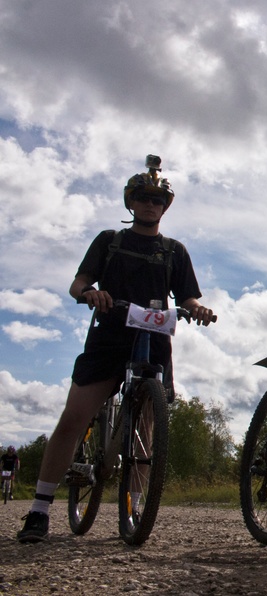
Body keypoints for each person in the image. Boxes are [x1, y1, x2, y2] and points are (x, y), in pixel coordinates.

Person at [16, 156, 215, 544]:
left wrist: (197, 309)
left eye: (158, 200)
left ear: (165, 207)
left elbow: (188, 296)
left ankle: (134, 505)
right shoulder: (111, 241)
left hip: (154, 338)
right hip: (110, 332)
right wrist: (91, 294)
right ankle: (39, 509)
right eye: (143, 198)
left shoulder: (174, 250)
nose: (150, 205)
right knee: (74, 417)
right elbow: (78, 283)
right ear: (131, 202)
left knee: (147, 428)